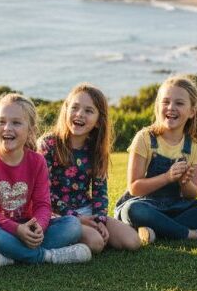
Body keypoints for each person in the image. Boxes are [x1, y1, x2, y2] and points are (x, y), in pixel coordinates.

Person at [0, 93, 92, 269]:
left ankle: (9, 256)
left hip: (28, 225)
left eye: (16, 122)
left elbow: (43, 204)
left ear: (31, 130)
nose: (7, 128)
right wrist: (17, 230)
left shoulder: (37, 161)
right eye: (1, 121)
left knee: (72, 225)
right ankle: (47, 256)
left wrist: (39, 228)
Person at [115, 76, 197, 243]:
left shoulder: (195, 146)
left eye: (179, 103)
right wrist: (167, 177)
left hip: (176, 207)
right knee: (132, 210)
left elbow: (192, 194)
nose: (171, 107)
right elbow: (135, 188)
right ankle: (193, 234)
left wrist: (185, 182)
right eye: (166, 102)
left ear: (192, 111)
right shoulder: (145, 138)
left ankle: (155, 229)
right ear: (158, 106)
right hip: (144, 204)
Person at [38, 84, 141, 253]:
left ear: (99, 121)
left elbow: (100, 191)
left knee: (132, 241)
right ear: (65, 110)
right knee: (96, 243)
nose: (79, 114)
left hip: (85, 210)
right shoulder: (48, 144)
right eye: (75, 107)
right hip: (56, 213)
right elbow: (44, 192)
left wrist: (99, 219)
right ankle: (64, 248)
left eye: (88, 111)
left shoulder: (96, 149)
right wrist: (77, 219)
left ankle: (87, 234)